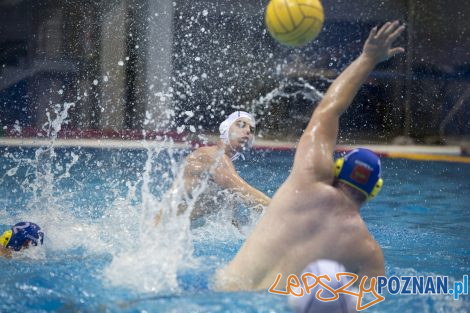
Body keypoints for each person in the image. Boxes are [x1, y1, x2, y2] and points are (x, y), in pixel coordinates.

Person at [215, 21, 405, 290]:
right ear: (374, 190)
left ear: (337, 169)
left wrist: (368, 58)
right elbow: (369, 303)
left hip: (223, 292)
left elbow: (328, 110)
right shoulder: (367, 251)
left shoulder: (308, 180)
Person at [156, 111, 271, 226]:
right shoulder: (214, 156)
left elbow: (233, 219)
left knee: (228, 198)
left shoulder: (221, 162)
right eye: (240, 125)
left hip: (168, 226)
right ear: (226, 128)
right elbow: (245, 192)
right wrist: (280, 210)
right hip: (160, 226)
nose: (247, 131)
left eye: (251, 130)